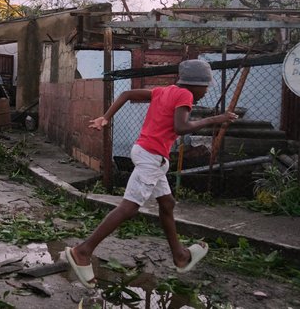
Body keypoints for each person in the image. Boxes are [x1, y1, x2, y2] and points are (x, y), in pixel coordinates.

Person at [66, 59, 238, 288]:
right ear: (195, 84)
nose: (206, 92)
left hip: (146, 152)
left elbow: (126, 94)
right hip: (152, 158)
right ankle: (83, 251)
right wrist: (216, 119)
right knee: (129, 207)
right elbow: (181, 128)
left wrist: (106, 117)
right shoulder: (185, 95)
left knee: (167, 204)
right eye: (205, 86)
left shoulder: (164, 91)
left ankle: (180, 256)